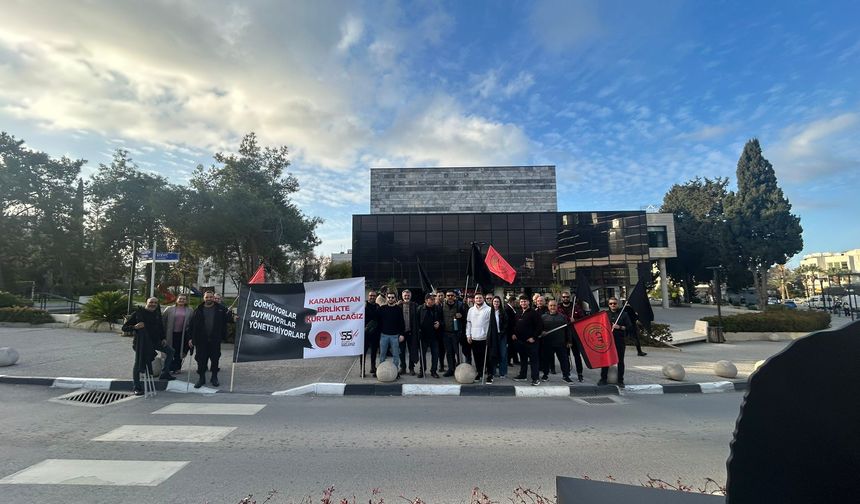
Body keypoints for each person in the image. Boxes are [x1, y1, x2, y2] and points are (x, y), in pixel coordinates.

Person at [122, 297, 175, 395]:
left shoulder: (157, 313)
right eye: (151, 302)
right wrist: (135, 327)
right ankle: (137, 387)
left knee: (171, 351)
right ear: (146, 303)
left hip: (156, 341)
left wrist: (163, 338)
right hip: (142, 343)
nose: (153, 304)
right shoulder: (138, 313)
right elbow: (124, 328)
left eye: (155, 303)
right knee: (138, 363)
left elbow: (160, 327)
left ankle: (164, 373)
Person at [188, 291, 231, 388]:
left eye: (211, 297)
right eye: (207, 297)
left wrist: (233, 316)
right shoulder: (198, 309)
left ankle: (214, 377)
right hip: (201, 340)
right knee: (201, 360)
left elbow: (228, 319)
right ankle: (201, 378)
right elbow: (192, 325)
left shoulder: (221, 309)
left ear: (213, 298)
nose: (209, 299)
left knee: (215, 359)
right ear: (204, 298)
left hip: (215, 339)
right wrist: (190, 338)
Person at [599, 297, 632, 387]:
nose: (613, 305)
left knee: (620, 361)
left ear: (618, 304)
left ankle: (620, 380)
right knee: (605, 360)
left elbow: (629, 327)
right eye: (611, 303)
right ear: (608, 305)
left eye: (614, 303)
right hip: (607, 341)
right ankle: (603, 379)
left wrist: (620, 327)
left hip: (619, 341)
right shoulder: (605, 314)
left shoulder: (624, 314)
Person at [540, 300, 574, 383]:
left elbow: (568, 329)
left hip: (560, 343)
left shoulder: (562, 317)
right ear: (548, 307)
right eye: (551, 305)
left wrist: (569, 341)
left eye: (554, 305)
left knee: (564, 360)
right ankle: (545, 375)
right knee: (546, 360)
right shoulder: (543, 317)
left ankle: (566, 376)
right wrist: (541, 332)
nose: (552, 307)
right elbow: (539, 328)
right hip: (547, 343)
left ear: (557, 306)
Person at [512, 295, 543, 386]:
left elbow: (540, 326)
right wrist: (514, 333)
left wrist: (534, 337)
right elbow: (515, 325)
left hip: (531, 342)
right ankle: (523, 375)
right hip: (520, 341)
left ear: (529, 302)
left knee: (534, 360)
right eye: (521, 301)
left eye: (525, 301)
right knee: (523, 359)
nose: (523, 303)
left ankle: (535, 379)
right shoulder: (518, 312)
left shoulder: (534, 313)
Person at [161, 294, 192, 373]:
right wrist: (162, 335)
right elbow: (163, 321)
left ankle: (177, 368)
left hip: (182, 334)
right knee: (170, 351)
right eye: (180, 299)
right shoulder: (169, 309)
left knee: (179, 351)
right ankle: (169, 367)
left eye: (184, 299)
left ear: (186, 301)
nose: (182, 300)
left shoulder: (190, 310)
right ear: (177, 299)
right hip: (170, 334)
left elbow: (192, 323)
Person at [377, 292, 405, 375]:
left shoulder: (398, 309)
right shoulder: (382, 308)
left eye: (392, 297)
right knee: (382, 355)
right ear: (386, 298)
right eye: (389, 297)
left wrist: (402, 334)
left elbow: (401, 323)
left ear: (395, 298)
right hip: (383, 335)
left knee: (396, 355)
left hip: (395, 336)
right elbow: (377, 320)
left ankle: (395, 373)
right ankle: (381, 372)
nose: (391, 299)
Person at [466, 292, 491, 381]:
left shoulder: (489, 309)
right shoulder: (471, 310)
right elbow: (468, 323)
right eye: (476, 298)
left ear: (483, 298)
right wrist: (468, 335)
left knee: (487, 357)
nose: (478, 300)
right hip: (474, 338)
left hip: (485, 338)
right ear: (474, 299)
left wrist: (489, 336)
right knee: (477, 358)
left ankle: (489, 375)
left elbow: (491, 325)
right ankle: (479, 373)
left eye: (480, 298)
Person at [440, 290, 466, 376]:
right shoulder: (442, 306)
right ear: (446, 296)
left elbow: (466, 318)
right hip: (446, 333)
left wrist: (461, 316)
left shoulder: (460, 305)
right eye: (448, 295)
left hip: (456, 333)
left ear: (454, 296)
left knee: (457, 352)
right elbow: (439, 318)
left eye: (452, 295)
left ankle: (460, 369)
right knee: (449, 352)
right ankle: (451, 369)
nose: (450, 297)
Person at [416, 293, 441, 378]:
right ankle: (422, 370)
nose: (434, 300)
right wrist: (418, 331)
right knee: (422, 354)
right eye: (432, 299)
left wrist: (439, 323)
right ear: (426, 300)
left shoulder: (437, 308)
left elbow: (441, 319)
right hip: (423, 336)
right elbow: (416, 322)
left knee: (435, 354)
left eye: (434, 299)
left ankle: (433, 371)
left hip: (435, 336)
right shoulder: (420, 308)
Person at [486, 295, 509, 383]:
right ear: (492, 302)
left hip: (502, 335)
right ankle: (493, 372)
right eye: (495, 301)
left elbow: (506, 324)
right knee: (493, 354)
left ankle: (503, 372)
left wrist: (502, 332)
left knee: (503, 354)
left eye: (498, 302)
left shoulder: (503, 312)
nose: (496, 303)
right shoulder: (489, 312)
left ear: (500, 303)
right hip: (492, 336)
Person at [398, 289, 420, 375]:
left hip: (411, 332)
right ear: (402, 297)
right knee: (401, 351)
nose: (406, 297)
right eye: (405, 296)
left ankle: (411, 368)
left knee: (412, 351)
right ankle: (402, 367)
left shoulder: (415, 305)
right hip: (401, 333)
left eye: (408, 295)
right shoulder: (399, 305)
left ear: (410, 296)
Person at [364, 290, 381, 377]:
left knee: (374, 352)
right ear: (368, 296)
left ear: (376, 296)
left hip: (375, 334)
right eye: (371, 295)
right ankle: (362, 369)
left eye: (374, 296)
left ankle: (373, 367)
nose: (372, 297)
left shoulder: (378, 306)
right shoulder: (364, 306)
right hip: (365, 334)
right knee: (363, 352)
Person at [434, 291, 447, 373]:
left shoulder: (446, 305)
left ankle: (443, 365)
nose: (440, 297)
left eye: (442, 295)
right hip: (437, 332)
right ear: (436, 297)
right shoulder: (434, 306)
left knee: (444, 350)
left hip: (446, 331)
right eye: (439, 296)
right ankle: (439, 366)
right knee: (438, 350)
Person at [505, 295, 520, 366]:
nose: (516, 303)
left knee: (514, 346)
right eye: (515, 302)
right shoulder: (507, 309)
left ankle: (515, 360)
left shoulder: (512, 308)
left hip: (514, 330)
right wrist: (512, 333)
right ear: (511, 302)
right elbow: (509, 322)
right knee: (510, 347)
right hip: (510, 331)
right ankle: (508, 361)